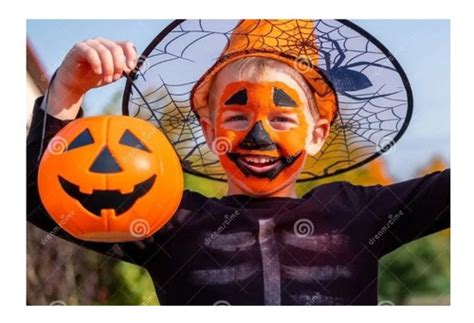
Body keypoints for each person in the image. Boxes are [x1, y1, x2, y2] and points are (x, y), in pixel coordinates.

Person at [27, 20, 450, 305]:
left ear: (317, 134)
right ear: (211, 133)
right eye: (237, 116)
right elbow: (40, 199)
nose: (258, 136)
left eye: (282, 117)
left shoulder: (360, 214)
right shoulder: (163, 219)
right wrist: (66, 91)